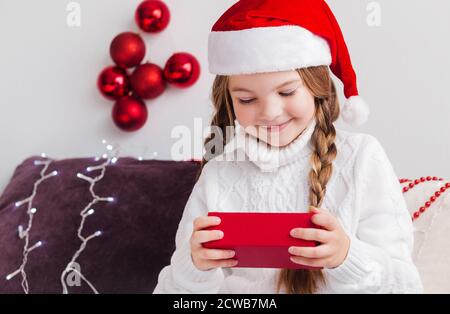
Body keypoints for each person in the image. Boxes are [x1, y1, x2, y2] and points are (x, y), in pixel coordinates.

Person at [153, 0, 423, 294]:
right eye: (246, 99)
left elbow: (406, 286)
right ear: (229, 101)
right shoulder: (220, 173)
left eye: (286, 91)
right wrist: (195, 267)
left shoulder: (361, 157)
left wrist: (346, 256)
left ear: (317, 87)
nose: (269, 111)